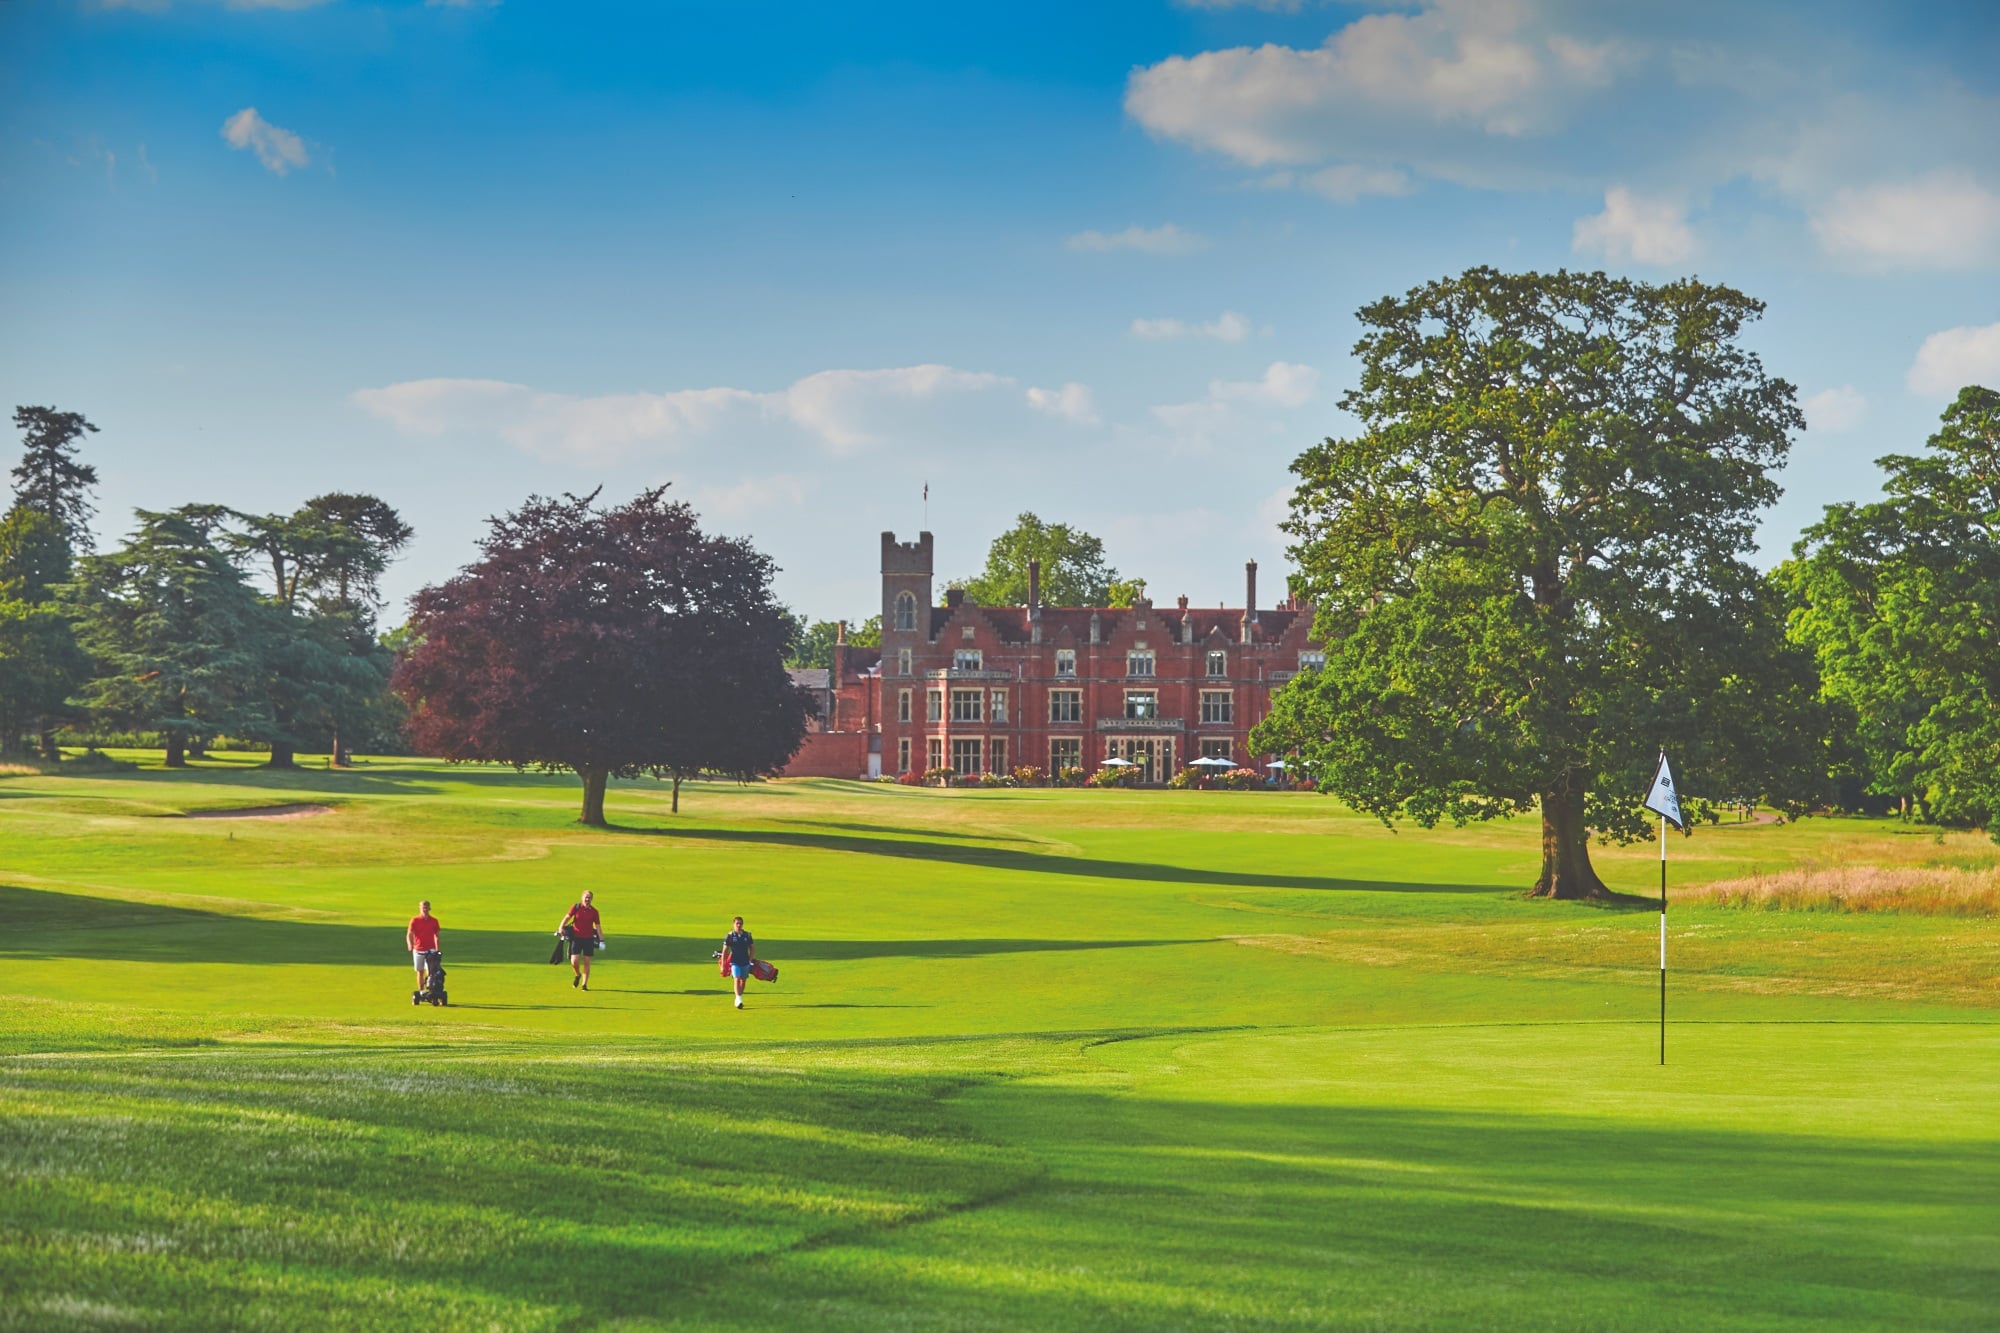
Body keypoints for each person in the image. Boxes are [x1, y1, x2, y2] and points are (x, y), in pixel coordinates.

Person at [557, 890, 603, 991]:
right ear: (582, 898)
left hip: (589, 939)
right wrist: (561, 927)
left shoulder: (594, 912)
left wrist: (601, 940)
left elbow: (598, 926)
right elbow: (567, 917)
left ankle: (584, 985)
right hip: (576, 938)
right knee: (574, 961)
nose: (587, 899)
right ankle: (578, 974)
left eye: (589, 898)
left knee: (587, 962)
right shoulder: (576, 907)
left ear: (592, 899)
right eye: (586, 897)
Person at [722, 916, 754, 1010]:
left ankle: (739, 997)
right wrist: (723, 965)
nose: (739, 925)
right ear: (733, 924)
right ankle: (738, 999)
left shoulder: (747, 935)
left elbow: (752, 948)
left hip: (745, 961)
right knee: (736, 978)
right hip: (734, 961)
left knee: (743, 980)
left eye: (740, 923)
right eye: (737, 923)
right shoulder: (730, 936)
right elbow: (724, 951)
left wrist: (750, 960)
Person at [407, 900, 441, 988]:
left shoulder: (434, 921)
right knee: (420, 971)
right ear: (420, 908)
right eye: (423, 908)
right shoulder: (415, 920)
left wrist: (437, 949)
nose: (424, 910)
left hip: (430, 950)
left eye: (426, 908)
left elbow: (436, 936)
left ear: (429, 908)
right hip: (418, 949)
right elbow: (409, 934)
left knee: (431, 971)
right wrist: (410, 944)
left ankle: (431, 988)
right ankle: (421, 990)